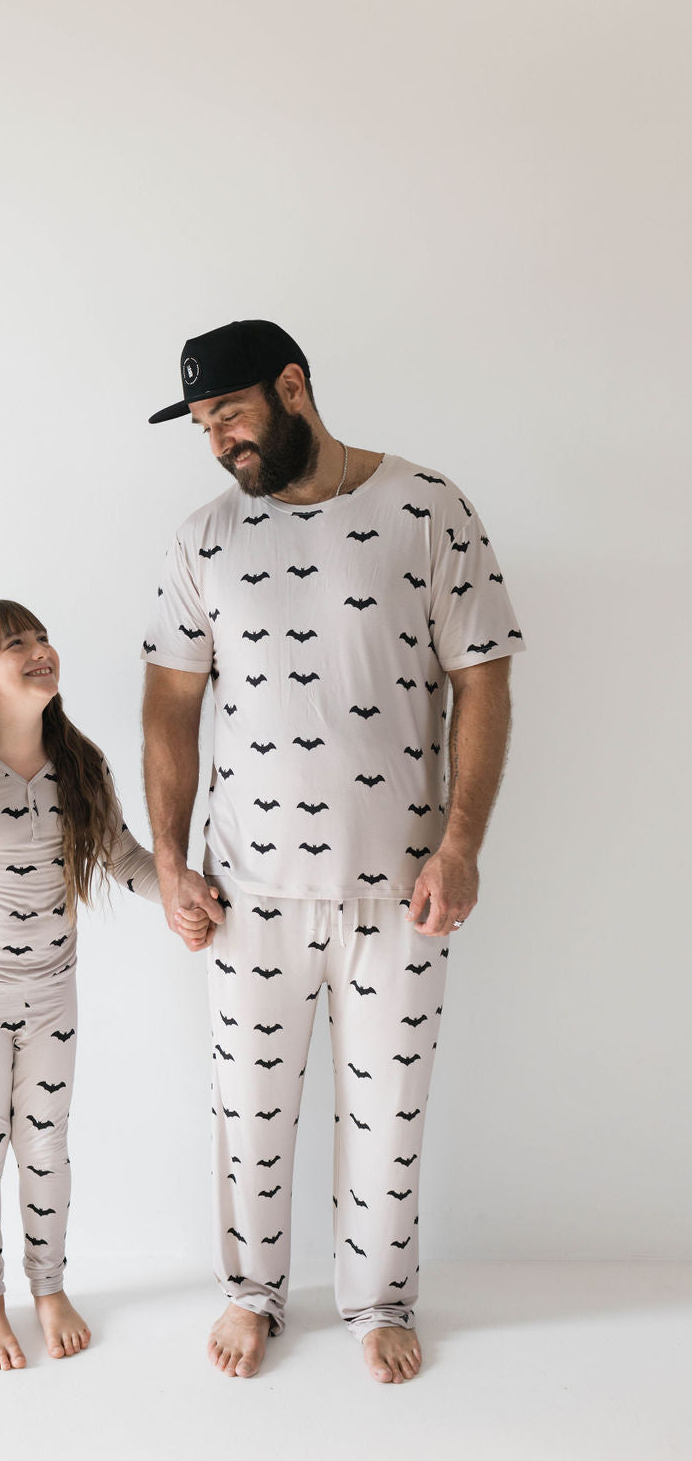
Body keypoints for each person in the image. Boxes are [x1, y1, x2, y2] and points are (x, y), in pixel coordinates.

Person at [141, 319, 525, 1383]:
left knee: (388, 1113)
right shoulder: (201, 540)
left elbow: (482, 675)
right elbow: (169, 705)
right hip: (247, 892)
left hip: (401, 891)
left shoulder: (426, 506)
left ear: (293, 386)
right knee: (247, 1115)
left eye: (230, 414)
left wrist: (462, 842)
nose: (219, 442)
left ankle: (378, 1299)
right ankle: (250, 1292)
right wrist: (170, 861)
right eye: (203, 425)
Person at [0, 598, 211, 1370]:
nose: (41, 650)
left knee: (46, 1147)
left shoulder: (81, 763)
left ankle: (48, 1288)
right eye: (17, 644)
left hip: (53, 995)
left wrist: (180, 891)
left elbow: (125, 858)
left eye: (43, 637)